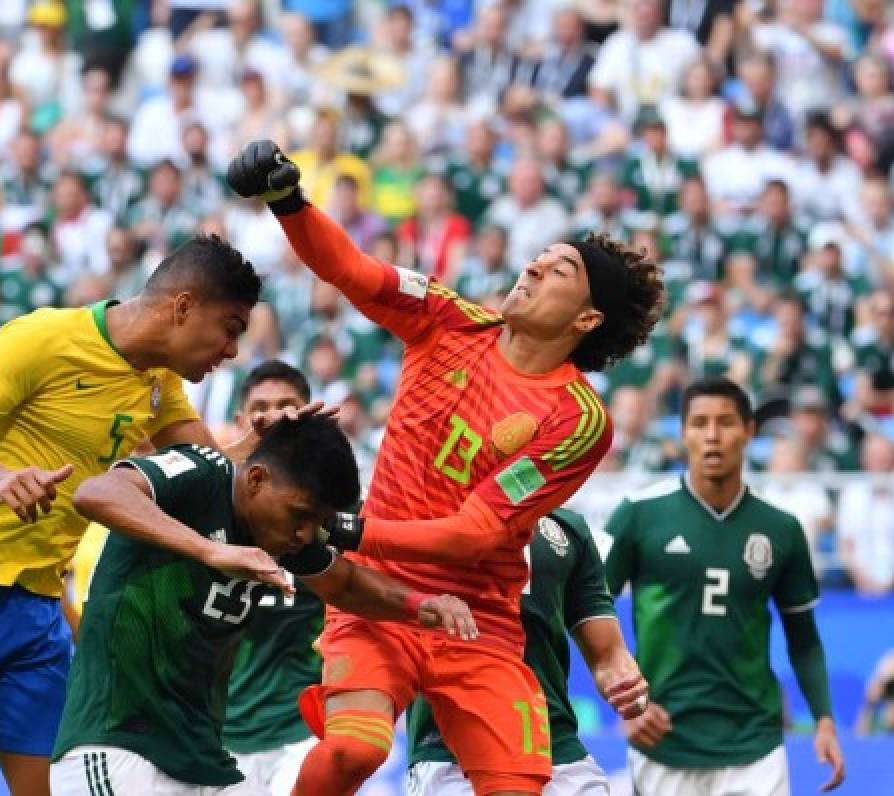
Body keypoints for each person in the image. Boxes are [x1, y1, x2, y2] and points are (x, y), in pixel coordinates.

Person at [227, 140, 666, 796]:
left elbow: (474, 534)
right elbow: (348, 267)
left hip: (478, 618)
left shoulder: (577, 421)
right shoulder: (446, 318)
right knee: (354, 751)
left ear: (587, 317)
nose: (535, 265)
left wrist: (344, 531)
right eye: (541, 256)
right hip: (377, 593)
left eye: (560, 270)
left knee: (519, 787)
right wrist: (288, 203)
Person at [0, 236, 292, 796]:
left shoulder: (158, 382)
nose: (233, 350)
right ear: (183, 306)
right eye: (230, 327)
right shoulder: (45, 337)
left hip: (35, 609)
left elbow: (208, 470)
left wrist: (266, 446)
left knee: (55, 788)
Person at [50, 415, 478, 795]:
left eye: (318, 524)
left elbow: (345, 585)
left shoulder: (276, 529)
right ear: (255, 479)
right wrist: (209, 551)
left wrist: (423, 604)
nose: (305, 535)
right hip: (118, 746)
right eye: (300, 516)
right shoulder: (203, 473)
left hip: (201, 759)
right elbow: (96, 492)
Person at [604, 377, 846, 795]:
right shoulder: (639, 515)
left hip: (755, 744)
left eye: (725, 422)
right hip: (663, 740)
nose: (712, 436)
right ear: (682, 434)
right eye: (699, 423)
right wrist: (625, 704)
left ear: (749, 431)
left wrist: (824, 718)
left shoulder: (781, 529)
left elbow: (803, 637)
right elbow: (589, 613)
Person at [406, 508, 648, 796]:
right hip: (452, 755)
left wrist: (626, 683)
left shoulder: (567, 527)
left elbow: (609, 656)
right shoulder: (426, 512)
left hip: (557, 747)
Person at [223, 362, 325, 795]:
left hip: (302, 731)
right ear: (240, 424)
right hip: (218, 738)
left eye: (289, 406)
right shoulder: (207, 509)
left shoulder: (341, 512)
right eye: (260, 408)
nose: (276, 417)